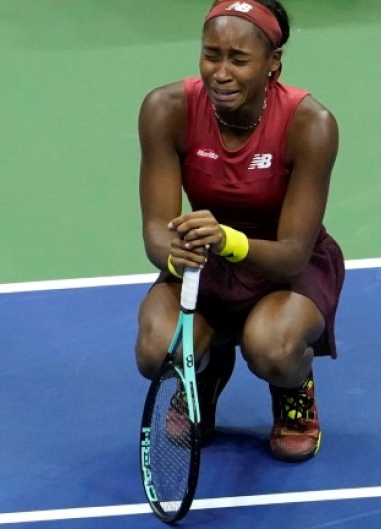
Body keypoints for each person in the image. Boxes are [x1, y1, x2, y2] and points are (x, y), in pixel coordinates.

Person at [134, 0, 344, 462]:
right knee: (156, 351)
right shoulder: (165, 109)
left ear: (274, 63)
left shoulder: (311, 125)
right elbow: (155, 231)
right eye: (211, 54)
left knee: (272, 348)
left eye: (239, 59)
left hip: (285, 266)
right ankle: (203, 374)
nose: (220, 73)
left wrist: (226, 240)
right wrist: (176, 256)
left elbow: (291, 254)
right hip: (206, 262)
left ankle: (294, 390)